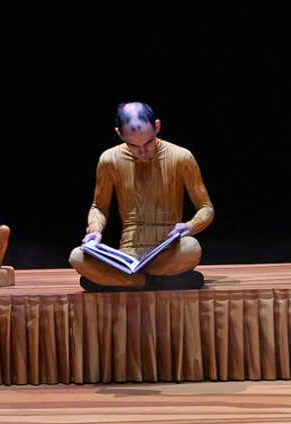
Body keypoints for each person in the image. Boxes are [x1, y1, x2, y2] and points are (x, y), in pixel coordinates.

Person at [71, 101, 216, 290]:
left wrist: (190, 226)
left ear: (157, 127)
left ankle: (122, 282)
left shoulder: (182, 157)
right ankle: (154, 282)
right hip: (128, 255)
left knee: (191, 248)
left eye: (149, 142)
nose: (143, 151)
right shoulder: (109, 159)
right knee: (77, 256)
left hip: (167, 252)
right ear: (119, 134)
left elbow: (206, 207)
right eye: (133, 145)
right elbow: (99, 207)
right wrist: (95, 230)